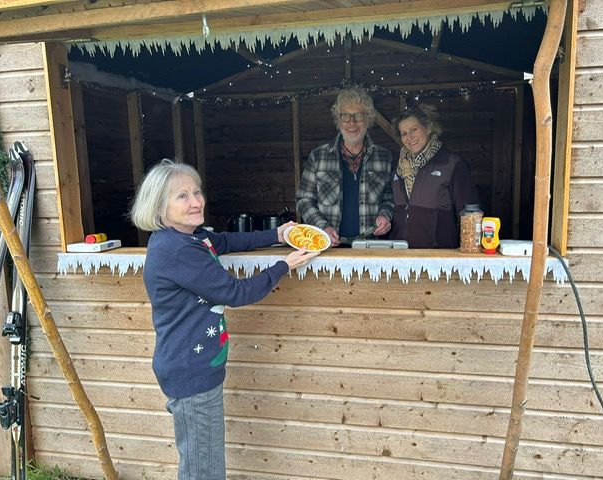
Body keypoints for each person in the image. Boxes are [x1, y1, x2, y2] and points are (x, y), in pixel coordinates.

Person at [130, 159, 318, 480]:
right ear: (160, 208)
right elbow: (235, 292)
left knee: (203, 463)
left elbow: (228, 241)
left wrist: (277, 233)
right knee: (203, 471)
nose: (196, 201)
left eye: (197, 192)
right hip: (190, 370)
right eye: (182, 196)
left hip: (197, 367)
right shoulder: (178, 251)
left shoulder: (191, 237)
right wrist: (283, 266)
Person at [296, 87, 394, 246]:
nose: (352, 122)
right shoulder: (318, 157)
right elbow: (304, 200)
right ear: (338, 120)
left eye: (359, 116)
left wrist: (385, 215)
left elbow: (390, 198)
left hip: (370, 247)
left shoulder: (384, 157)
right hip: (328, 248)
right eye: (345, 116)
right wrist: (323, 227)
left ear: (368, 120)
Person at [389, 106, 480, 248]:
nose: (409, 137)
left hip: (438, 254)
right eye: (404, 133)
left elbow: (470, 214)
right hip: (401, 251)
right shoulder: (396, 165)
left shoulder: (452, 164)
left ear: (428, 128)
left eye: (414, 129)